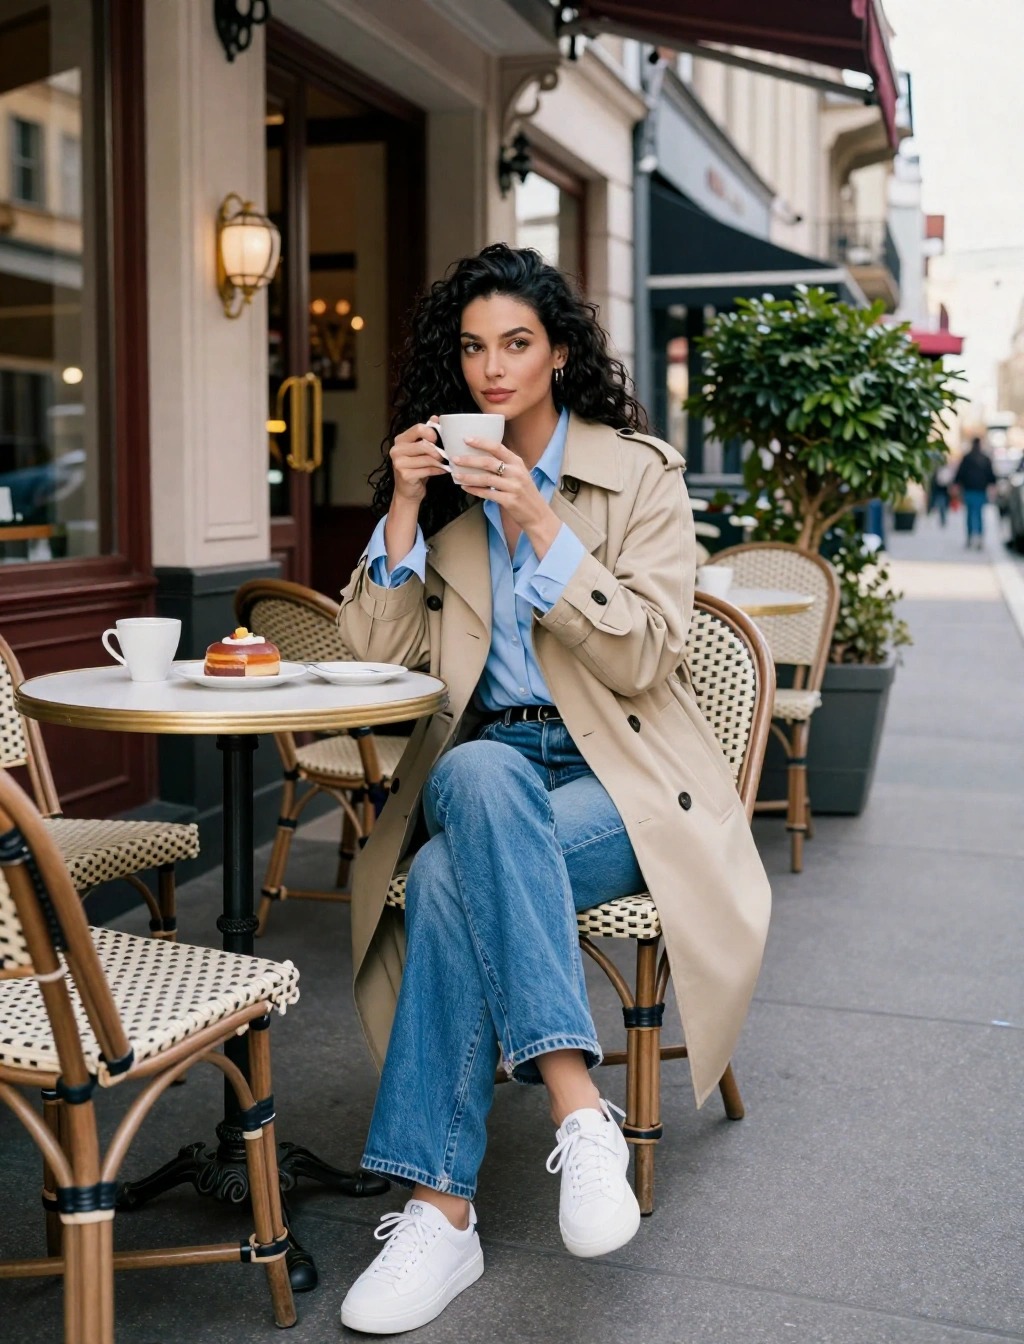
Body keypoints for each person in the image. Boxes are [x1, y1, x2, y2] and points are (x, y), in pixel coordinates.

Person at [335, 244, 771, 1335]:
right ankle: (581, 1114)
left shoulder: (639, 476)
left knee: (443, 879)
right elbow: (370, 667)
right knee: (480, 772)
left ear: (558, 354)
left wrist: (538, 522)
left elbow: (647, 658)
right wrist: (401, 506)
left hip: (623, 784)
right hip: (491, 772)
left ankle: (440, 1213)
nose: (493, 369)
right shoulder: (440, 492)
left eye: (517, 344)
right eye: (474, 347)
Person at [954, 437, 996, 549]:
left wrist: (956, 485)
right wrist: (992, 486)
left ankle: (970, 536)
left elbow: (960, 474)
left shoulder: (967, 458)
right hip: (980, 490)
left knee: (969, 514)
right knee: (979, 514)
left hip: (969, 490)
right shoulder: (985, 459)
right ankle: (979, 538)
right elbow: (991, 476)